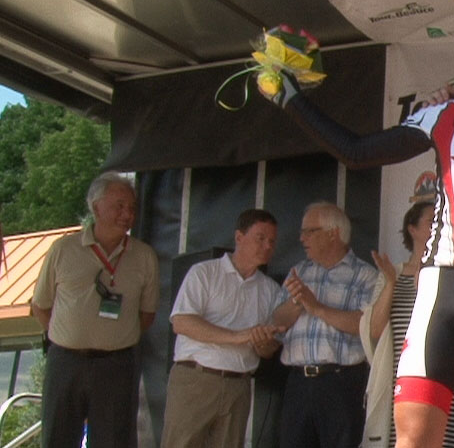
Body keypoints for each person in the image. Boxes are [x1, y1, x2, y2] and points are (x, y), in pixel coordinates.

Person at [268, 2, 454, 448]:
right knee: (414, 441)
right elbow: (356, 152)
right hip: (442, 290)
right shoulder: (444, 115)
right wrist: (289, 97)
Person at [29, 171, 159, 448]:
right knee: (58, 438)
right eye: (119, 206)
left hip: (116, 364)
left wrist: (112, 335)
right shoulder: (63, 249)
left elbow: (147, 315)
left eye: (132, 208)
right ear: (96, 207)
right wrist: (70, 336)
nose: (127, 214)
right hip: (65, 361)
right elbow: (40, 307)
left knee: (115, 440)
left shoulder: (144, 256)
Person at [161, 208, 283, 448]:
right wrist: (239, 337)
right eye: (260, 238)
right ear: (239, 237)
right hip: (196, 378)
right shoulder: (204, 272)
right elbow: (182, 322)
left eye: (272, 241)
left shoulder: (271, 290)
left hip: (238, 385)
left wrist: (262, 343)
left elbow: (268, 351)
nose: (267, 246)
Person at [360, 200, 454, 448]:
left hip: (447, 383)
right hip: (401, 386)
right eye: (432, 219)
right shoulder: (392, 273)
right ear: (412, 229)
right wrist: (391, 283)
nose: (440, 224)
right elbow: (375, 331)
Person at [270, 201, 379, 448]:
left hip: (340, 382)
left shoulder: (365, 275)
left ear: (333, 233)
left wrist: (317, 308)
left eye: (310, 231)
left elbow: (367, 326)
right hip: (298, 381)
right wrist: (298, 303)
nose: (301, 238)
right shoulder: (298, 271)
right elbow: (276, 322)